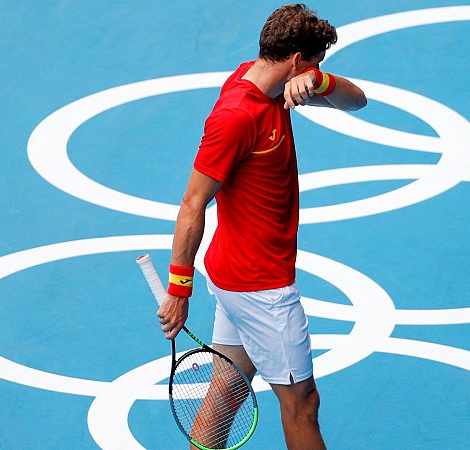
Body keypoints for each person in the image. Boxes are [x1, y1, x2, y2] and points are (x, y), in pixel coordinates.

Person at [156, 4, 367, 449]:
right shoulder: (236, 116)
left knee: (225, 394)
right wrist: (178, 289)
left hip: (236, 276)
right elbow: (193, 203)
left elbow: (357, 100)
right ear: (295, 59)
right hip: (261, 288)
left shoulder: (258, 78)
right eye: (316, 64)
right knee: (302, 403)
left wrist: (320, 81)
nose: (318, 71)